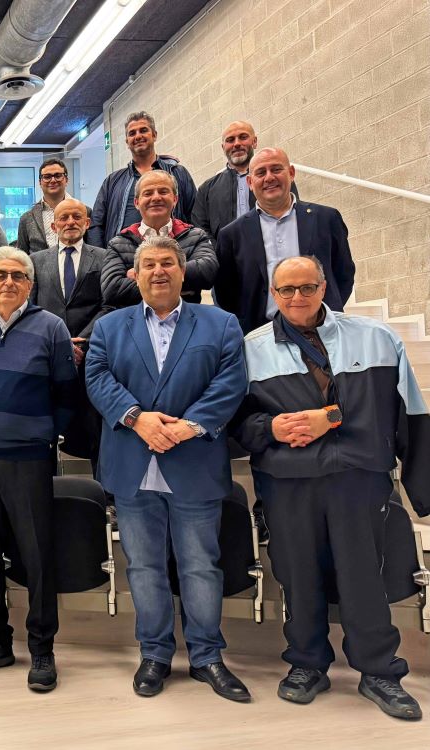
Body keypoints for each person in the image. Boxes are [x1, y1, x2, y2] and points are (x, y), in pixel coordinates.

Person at [232, 255, 429, 721]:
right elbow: (235, 422)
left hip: (358, 479)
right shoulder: (249, 348)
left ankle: (379, 671)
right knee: (297, 577)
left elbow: (409, 413)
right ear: (273, 295)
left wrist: (333, 419)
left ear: (324, 288)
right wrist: (270, 428)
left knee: (364, 578)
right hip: (288, 483)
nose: (297, 297)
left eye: (307, 287)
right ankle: (307, 664)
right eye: (286, 290)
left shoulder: (376, 337)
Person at [85, 234, 249, 703]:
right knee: (144, 567)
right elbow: (96, 376)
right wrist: (137, 418)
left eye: (168, 263)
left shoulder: (221, 323)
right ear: (134, 275)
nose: (159, 271)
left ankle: (207, 656)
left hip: (193, 459)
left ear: (183, 272)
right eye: (149, 264)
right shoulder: (109, 326)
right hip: (132, 464)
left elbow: (231, 381)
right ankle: (154, 654)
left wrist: (188, 427)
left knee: (200, 566)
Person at [0, 246, 76, 693]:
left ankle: (42, 647)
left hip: (29, 459)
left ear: (30, 284)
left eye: (18, 275)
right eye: (0, 275)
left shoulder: (52, 327)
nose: (8, 282)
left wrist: (40, 434)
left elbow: (66, 393)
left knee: (36, 555)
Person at [215, 147, 355, 333]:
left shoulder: (326, 219)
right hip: (262, 335)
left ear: (291, 173)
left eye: (276, 169)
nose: (269, 177)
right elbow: (225, 293)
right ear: (250, 182)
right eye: (261, 173)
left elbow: (344, 275)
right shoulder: (231, 235)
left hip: (322, 330)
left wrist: (320, 313)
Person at [29, 198, 113, 469]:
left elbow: (109, 305)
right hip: (49, 356)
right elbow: (31, 307)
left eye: (77, 217)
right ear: (54, 226)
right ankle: (47, 485)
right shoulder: (36, 261)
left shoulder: (104, 258)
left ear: (87, 223)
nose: (70, 222)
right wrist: (59, 341)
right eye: (63, 218)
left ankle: (104, 489)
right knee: (47, 429)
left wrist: (83, 341)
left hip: (92, 355)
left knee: (96, 428)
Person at [102, 170, 217, 308]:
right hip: (135, 320)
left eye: (163, 191)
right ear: (137, 202)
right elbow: (111, 289)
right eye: (148, 193)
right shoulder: (118, 244)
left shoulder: (196, 236)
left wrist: (141, 276)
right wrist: (177, 285)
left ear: (175, 199)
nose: (156, 197)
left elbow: (208, 272)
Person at [87, 111, 196, 248]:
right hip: (123, 257)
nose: (138, 136)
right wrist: (104, 257)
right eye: (132, 133)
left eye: (143, 130)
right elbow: (96, 225)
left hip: (172, 254)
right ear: (127, 142)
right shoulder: (112, 182)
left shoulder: (178, 173)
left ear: (154, 135)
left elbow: (195, 217)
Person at [191, 121, 300, 244]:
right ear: (223, 147)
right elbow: (200, 229)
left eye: (243, 137)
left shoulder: (277, 179)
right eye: (230, 140)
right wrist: (221, 252)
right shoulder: (206, 190)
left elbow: (292, 213)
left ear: (254, 141)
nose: (237, 143)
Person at [16, 158, 76, 254]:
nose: (53, 180)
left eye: (58, 176)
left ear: (66, 180)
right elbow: (21, 256)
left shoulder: (84, 212)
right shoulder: (26, 218)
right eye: (47, 177)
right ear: (40, 182)